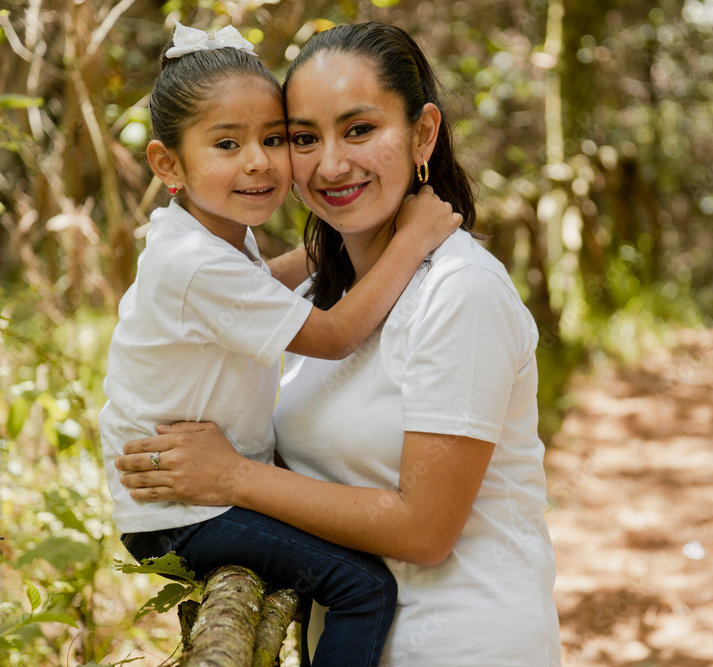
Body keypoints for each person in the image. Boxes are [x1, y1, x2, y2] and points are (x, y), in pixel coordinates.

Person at [116, 22, 562, 666]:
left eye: (359, 130)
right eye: (303, 138)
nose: (329, 163)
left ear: (423, 135)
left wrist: (233, 477)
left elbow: (425, 531)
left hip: (460, 645)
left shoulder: (461, 293)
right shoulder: (315, 291)